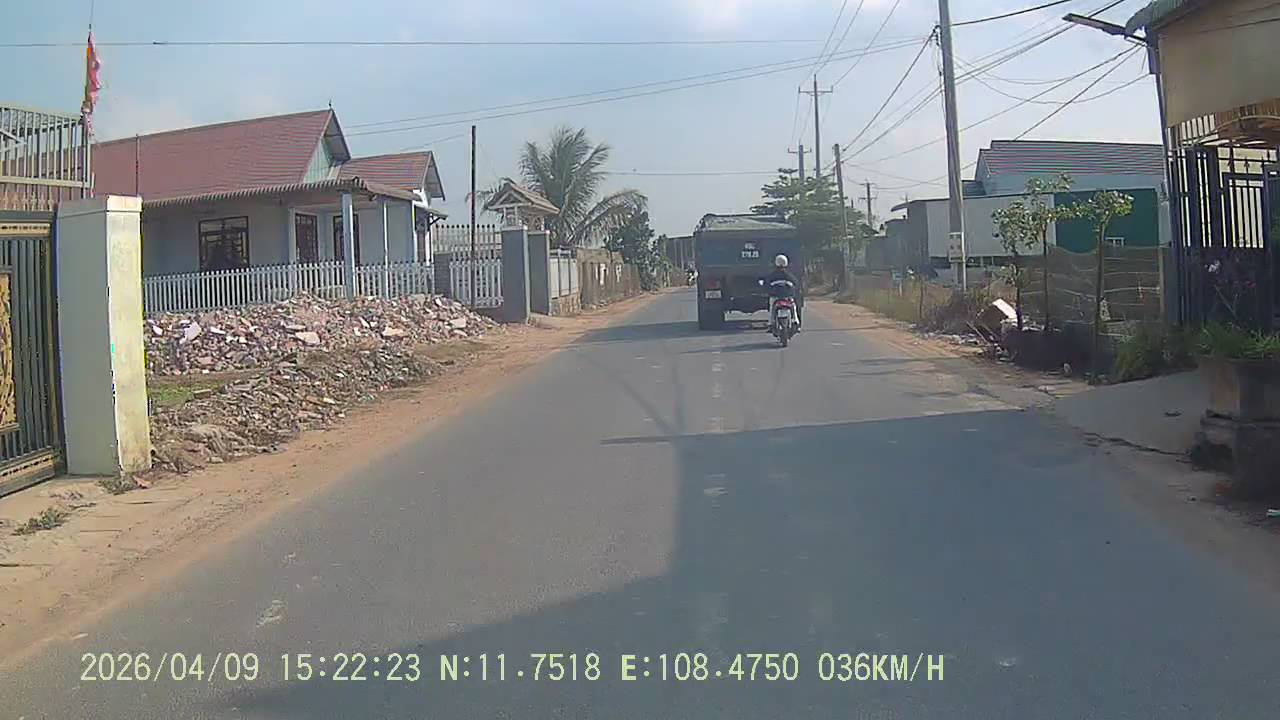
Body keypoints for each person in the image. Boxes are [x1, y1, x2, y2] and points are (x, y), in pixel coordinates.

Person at [764, 254, 801, 331]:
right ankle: (796, 322)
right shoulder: (788, 274)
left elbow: (766, 284)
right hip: (788, 297)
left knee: (771, 307)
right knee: (793, 306)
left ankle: (771, 324)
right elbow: (796, 283)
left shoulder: (772, 275)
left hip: (775, 296)